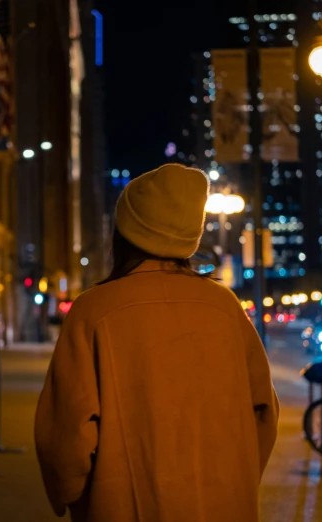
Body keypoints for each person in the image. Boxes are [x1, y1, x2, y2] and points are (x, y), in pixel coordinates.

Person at [34, 163, 279, 522]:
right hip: (222, 504)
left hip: (122, 505)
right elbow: (263, 412)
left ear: (124, 233)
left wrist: (71, 495)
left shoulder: (94, 310)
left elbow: (66, 433)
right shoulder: (225, 307)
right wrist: (235, 479)